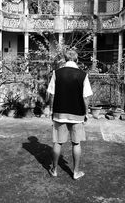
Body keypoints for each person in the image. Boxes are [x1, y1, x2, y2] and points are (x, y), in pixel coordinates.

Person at [47, 49, 93, 180]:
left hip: (59, 113)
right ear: (77, 59)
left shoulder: (56, 73)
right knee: (76, 143)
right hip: (77, 114)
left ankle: (54, 170)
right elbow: (86, 98)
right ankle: (76, 172)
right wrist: (86, 112)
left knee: (57, 142)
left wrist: (52, 110)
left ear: (65, 59)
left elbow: (52, 95)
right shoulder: (83, 75)